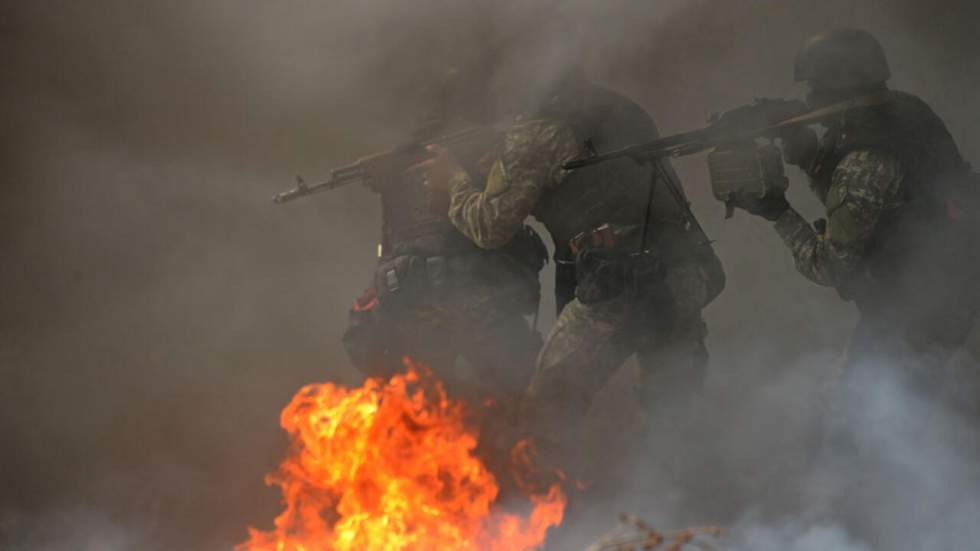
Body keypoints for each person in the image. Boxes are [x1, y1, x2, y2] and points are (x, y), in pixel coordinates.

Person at [727, 28, 980, 546]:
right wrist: (809, 157)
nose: (810, 101)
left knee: (861, 440)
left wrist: (775, 210)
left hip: (918, 317)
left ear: (841, 89)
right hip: (933, 299)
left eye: (816, 91)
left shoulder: (867, 156)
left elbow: (831, 265)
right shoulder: (901, 111)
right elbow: (865, 204)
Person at [416, 69, 726, 493]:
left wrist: (452, 180)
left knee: (546, 416)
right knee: (672, 414)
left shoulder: (538, 131)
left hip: (620, 282)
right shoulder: (619, 111)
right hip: (682, 273)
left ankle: (548, 523)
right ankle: (685, 512)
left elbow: (490, 226)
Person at [339, 68, 548, 470]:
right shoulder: (426, 159)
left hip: (453, 292)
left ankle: (492, 472)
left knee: (496, 391)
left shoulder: (481, 149)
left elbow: (494, 220)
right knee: (477, 396)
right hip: (451, 294)